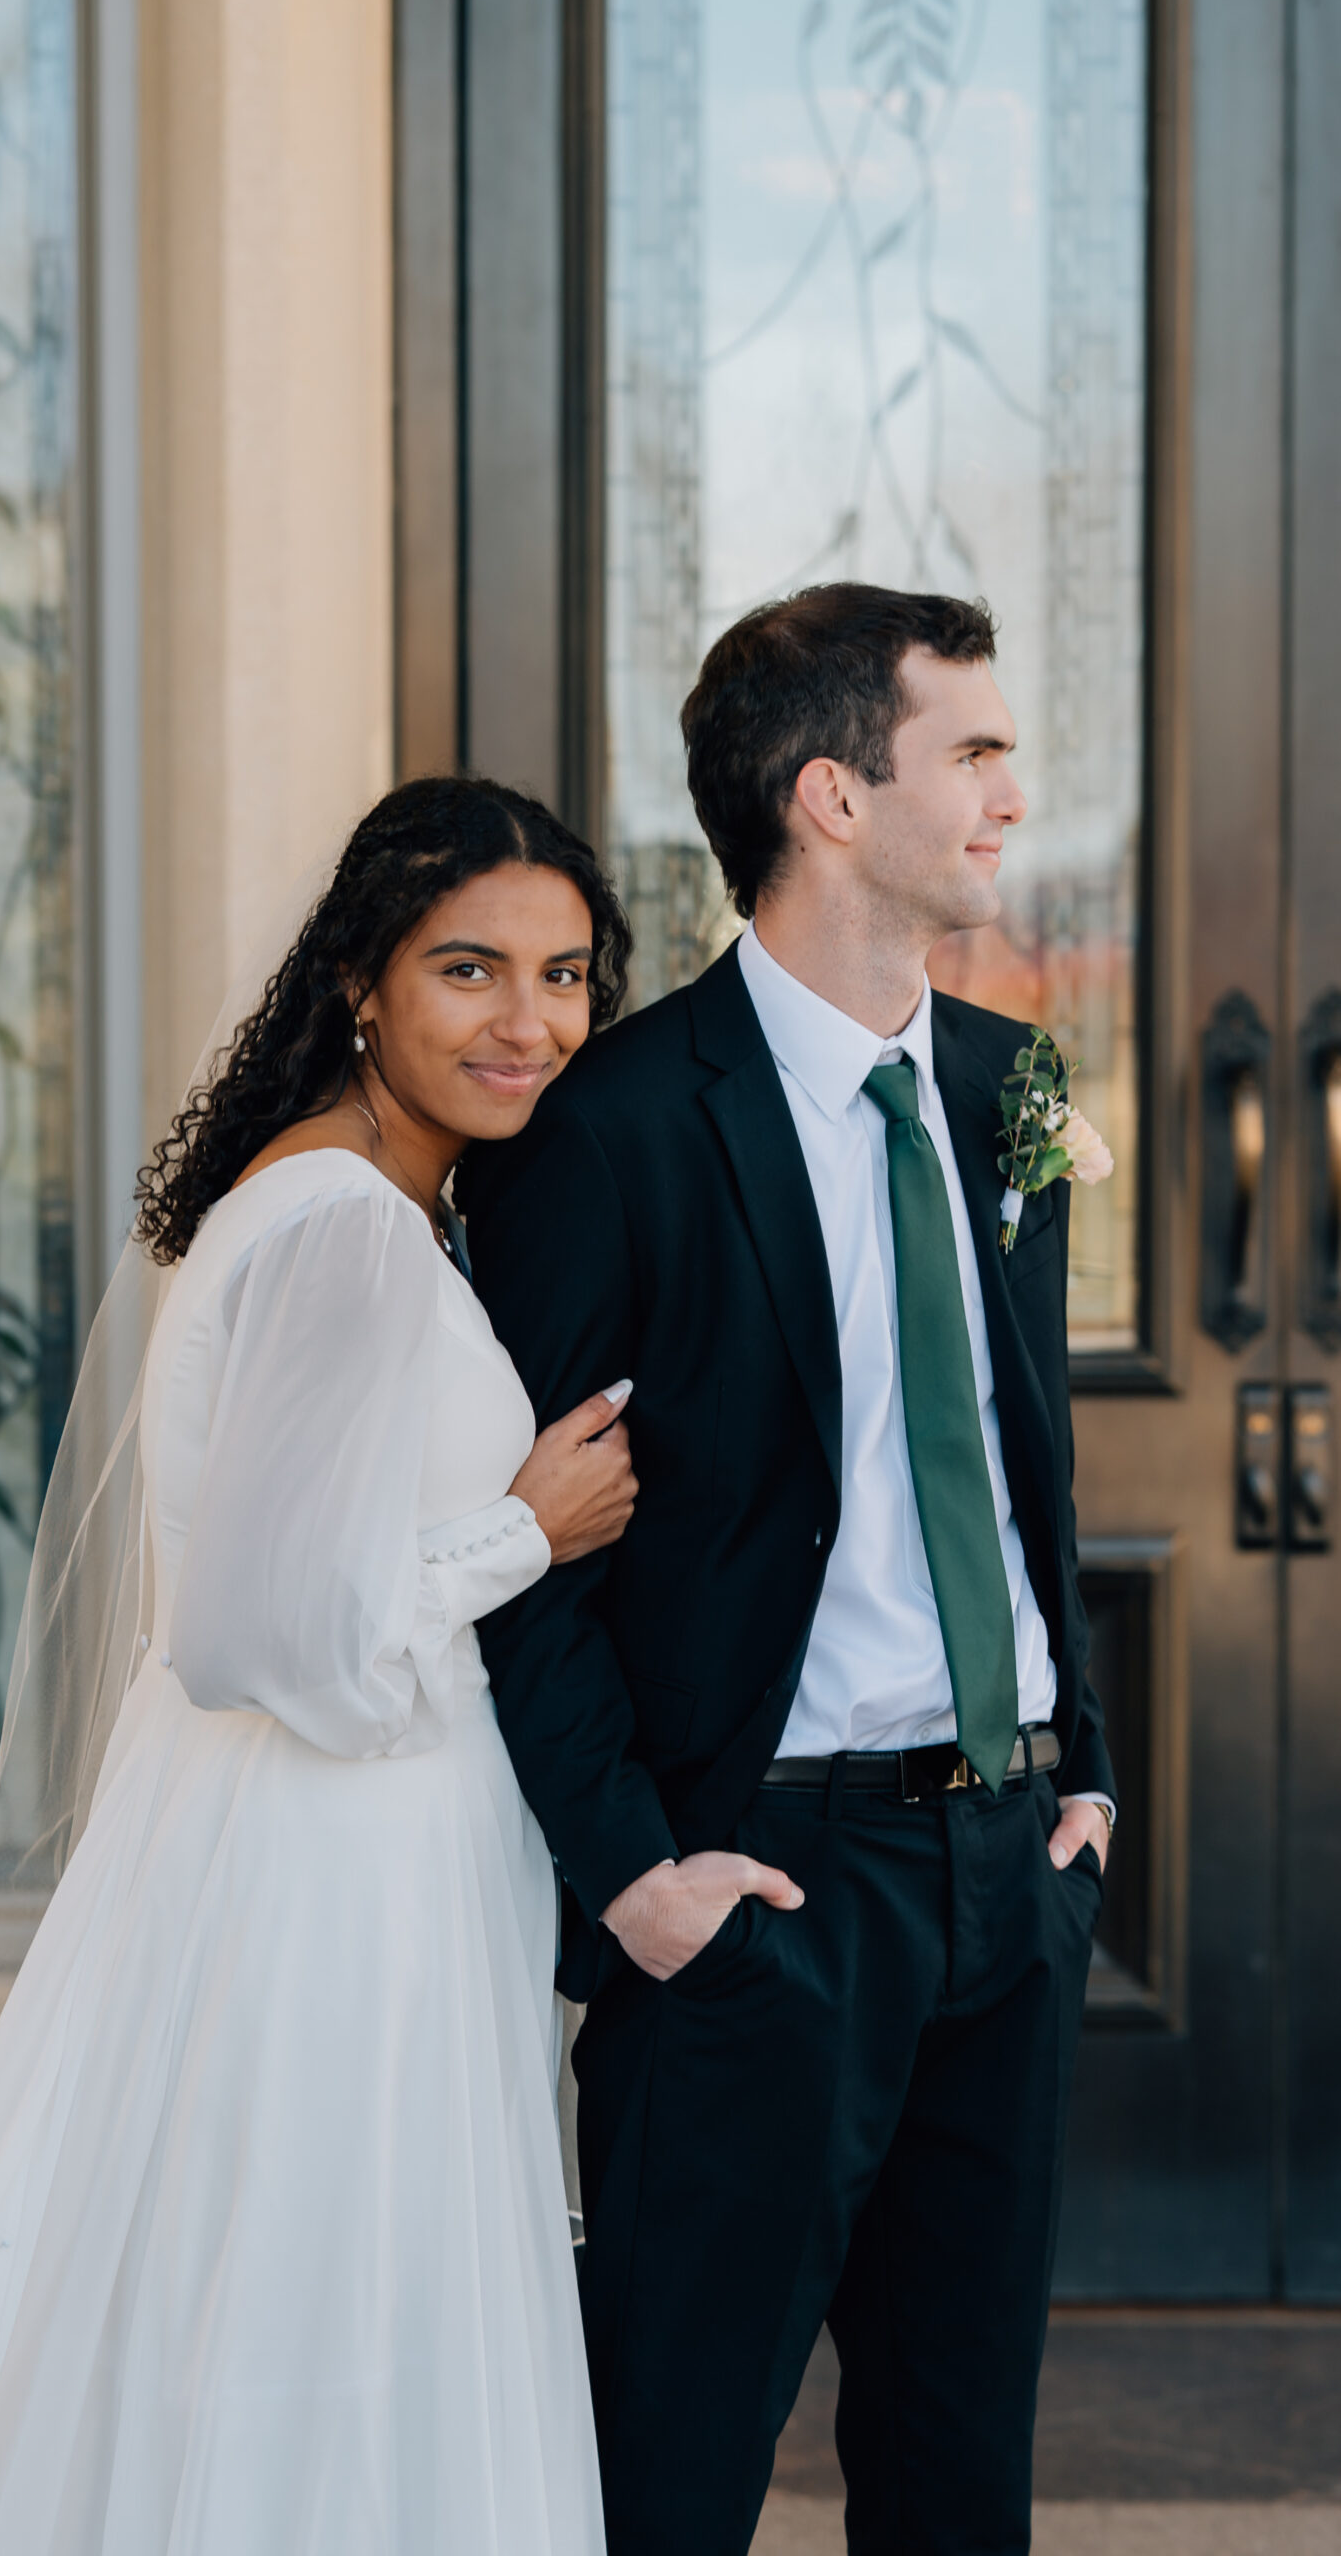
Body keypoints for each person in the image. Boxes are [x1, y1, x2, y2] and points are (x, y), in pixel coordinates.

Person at [0, 775, 638, 2556]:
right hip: (329, 1874)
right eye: (471, 969)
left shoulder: (365, 1203)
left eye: (565, 976)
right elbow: (267, 1635)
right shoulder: (340, 1227)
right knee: (314, 2321)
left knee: (284, 2313)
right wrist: (527, 1527)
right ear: (361, 982)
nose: (530, 1021)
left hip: (325, 1850)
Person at [459, 585, 1117, 2556]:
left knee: (958, 2490)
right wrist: (638, 1881)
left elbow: (1020, 1456)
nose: (1011, 793)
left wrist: (1079, 1770)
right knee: (666, 2488)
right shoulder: (612, 1125)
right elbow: (529, 1555)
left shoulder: (1009, 1083)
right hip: (759, 1900)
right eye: (972, 752)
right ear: (833, 795)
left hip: (1008, 1873)